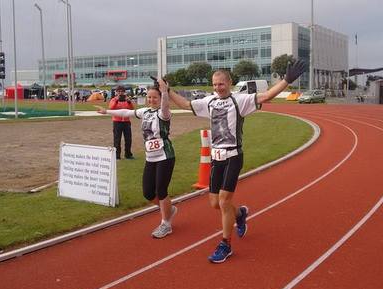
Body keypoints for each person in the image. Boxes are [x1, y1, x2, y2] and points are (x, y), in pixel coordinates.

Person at [167, 60, 305, 263]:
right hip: (216, 158)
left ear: (229, 83)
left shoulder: (240, 100)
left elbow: (266, 96)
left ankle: (225, 244)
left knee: (224, 201)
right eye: (214, 84)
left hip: (233, 156)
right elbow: (186, 104)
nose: (217, 87)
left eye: (221, 84)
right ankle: (240, 214)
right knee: (215, 203)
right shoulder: (209, 102)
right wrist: (168, 90)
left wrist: (286, 80)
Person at [95, 80, 177, 239]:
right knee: (148, 192)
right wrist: (107, 112)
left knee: (161, 190)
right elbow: (126, 113)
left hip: (165, 156)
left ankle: (166, 224)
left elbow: (165, 105)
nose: (151, 100)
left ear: (160, 99)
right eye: (149, 97)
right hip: (150, 157)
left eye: (155, 97)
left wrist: (165, 91)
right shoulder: (145, 112)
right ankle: (169, 210)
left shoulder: (163, 113)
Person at [108, 86, 135, 160]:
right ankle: (117, 156)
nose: (120, 93)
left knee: (128, 139)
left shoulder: (127, 99)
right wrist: (117, 100)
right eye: (118, 91)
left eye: (122, 91)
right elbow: (111, 108)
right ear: (116, 92)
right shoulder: (113, 99)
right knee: (117, 139)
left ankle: (128, 154)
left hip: (126, 122)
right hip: (117, 122)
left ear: (124, 92)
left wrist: (129, 101)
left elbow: (132, 109)